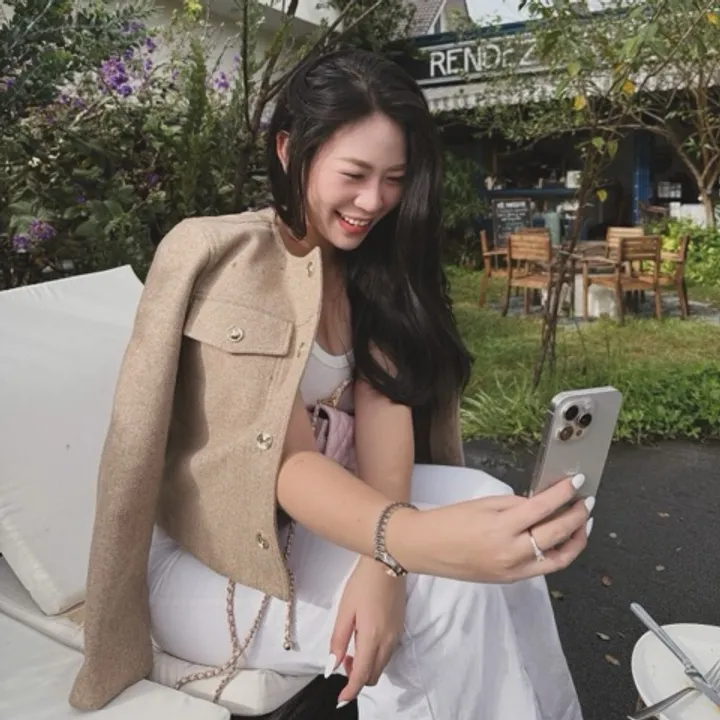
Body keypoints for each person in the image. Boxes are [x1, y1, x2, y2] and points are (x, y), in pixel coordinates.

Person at [69, 49, 592, 720]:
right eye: (354, 174)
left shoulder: (369, 267)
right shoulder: (229, 262)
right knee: (444, 595)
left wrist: (384, 566)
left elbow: (383, 416)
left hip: (319, 532)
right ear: (290, 150)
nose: (374, 201)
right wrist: (409, 545)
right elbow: (284, 464)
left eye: (395, 179)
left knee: (490, 500)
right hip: (213, 560)